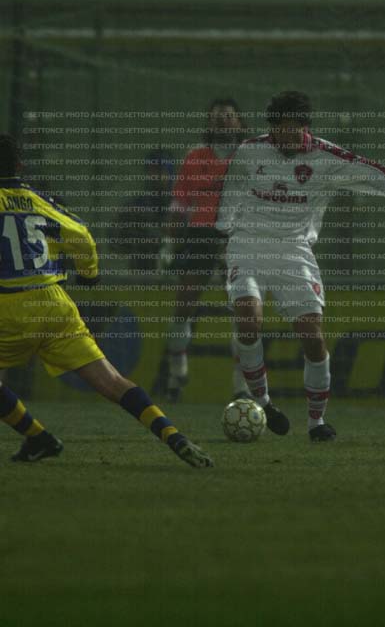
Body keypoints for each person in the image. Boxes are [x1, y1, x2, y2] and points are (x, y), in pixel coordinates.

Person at [215, 91, 385, 441]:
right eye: (279, 128)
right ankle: (263, 402)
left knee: (312, 337)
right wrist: (222, 233)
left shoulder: (327, 157)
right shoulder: (250, 151)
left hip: (294, 250)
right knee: (248, 317)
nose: (285, 136)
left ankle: (316, 422)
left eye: (292, 128)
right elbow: (231, 191)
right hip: (248, 244)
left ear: (304, 127)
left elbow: (377, 174)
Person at [0, 134, 212, 468]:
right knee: (112, 381)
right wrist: (89, 275)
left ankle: (37, 435)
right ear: (20, 165)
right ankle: (174, 436)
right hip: (54, 304)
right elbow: (82, 234)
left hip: (7, 305)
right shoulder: (37, 199)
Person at [156, 98, 251, 402]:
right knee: (184, 304)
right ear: (209, 123)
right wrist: (169, 244)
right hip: (201, 234)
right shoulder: (195, 157)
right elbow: (180, 203)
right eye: (217, 117)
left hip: (237, 236)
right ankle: (176, 372)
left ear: (240, 122)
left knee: (243, 310)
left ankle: (242, 384)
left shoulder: (252, 156)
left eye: (229, 116)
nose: (223, 121)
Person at [111, 149, 174, 272]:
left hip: (173, 277)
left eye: (160, 170)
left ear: (169, 173)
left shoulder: (181, 209)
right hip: (142, 276)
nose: (155, 176)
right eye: (152, 170)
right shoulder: (134, 209)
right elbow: (116, 244)